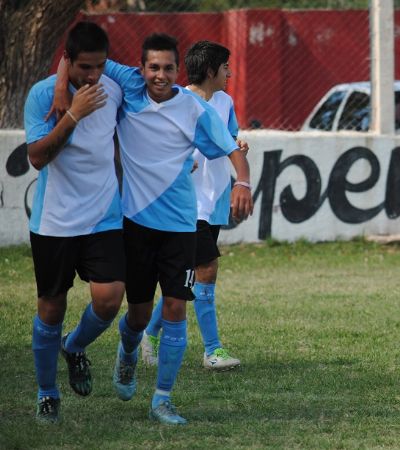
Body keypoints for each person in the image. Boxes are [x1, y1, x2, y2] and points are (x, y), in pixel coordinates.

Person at [53, 33, 253, 425]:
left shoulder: (194, 108)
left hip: (181, 226)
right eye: (153, 68)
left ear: (178, 72)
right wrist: (62, 86)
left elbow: (232, 148)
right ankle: (127, 351)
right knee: (139, 316)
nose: (160, 76)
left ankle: (162, 399)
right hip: (135, 224)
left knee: (177, 305)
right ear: (140, 69)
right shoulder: (129, 86)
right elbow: (74, 54)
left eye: (167, 68)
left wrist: (242, 183)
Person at [23, 21, 124, 423]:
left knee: (109, 298)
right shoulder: (42, 95)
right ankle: (47, 393)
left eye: (100, 66)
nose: (94, 75)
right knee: (51, 307)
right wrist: (73, 115)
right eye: (84, 67)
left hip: (104, 216)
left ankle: (75, 346)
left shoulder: (114, 89)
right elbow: (37, 157)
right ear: (67, 61)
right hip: (55, 221)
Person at [140, 40, 247, 372]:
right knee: (207, 268)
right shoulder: (179, 99)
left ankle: (149, 333)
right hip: (186, 203)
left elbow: (229, 137)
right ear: (212, 70)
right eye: (226, 67)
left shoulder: (225, 101)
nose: (230, 72)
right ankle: (212, 350)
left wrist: (239, 143)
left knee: (186, 278)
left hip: (212, 201)